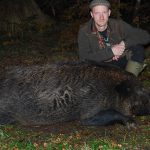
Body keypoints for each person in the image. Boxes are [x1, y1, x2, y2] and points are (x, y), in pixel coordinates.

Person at [78, 0, 150, 76]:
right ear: (92, 14)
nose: (101, 17)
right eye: (97, 13)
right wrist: (111, 52)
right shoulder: (84, 31)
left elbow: (145, 36)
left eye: (104, 12)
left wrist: (123, 44)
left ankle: (129, 81)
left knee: (137, 48)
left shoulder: (118, 25)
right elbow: (84, 58)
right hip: (100, 66)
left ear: (109, 13)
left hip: (120, 61)